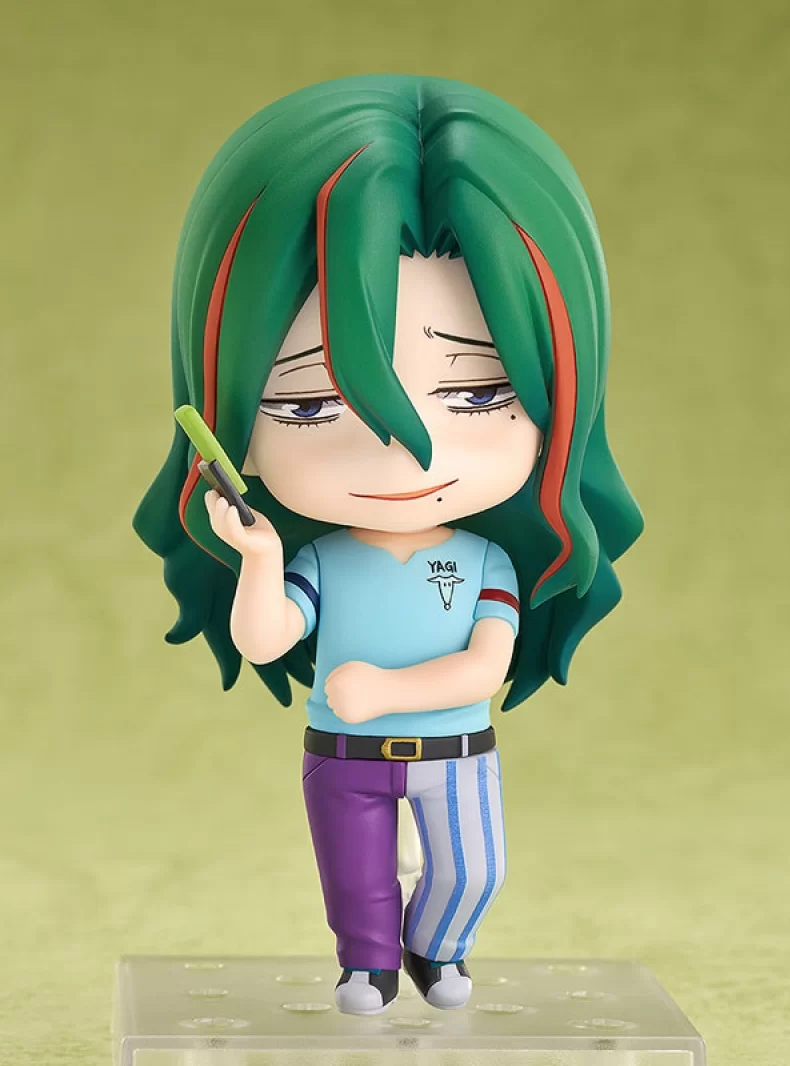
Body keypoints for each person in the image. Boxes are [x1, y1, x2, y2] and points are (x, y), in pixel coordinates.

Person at [133, 74, 643, 1016]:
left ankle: (437, 948)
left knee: (474, 870)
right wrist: (256, 559)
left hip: (457, 750)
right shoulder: (320, 563)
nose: (403, 455)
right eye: (308, 405)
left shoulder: (487, 564)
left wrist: (385, 690)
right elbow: (265, 638)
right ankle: (367, 963)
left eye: (479, 395)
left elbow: (485, 665)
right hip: (343, 754)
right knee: (355, 881)